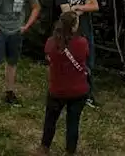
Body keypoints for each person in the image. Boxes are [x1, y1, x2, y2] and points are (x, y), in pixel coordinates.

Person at [34, 12, 89, 156]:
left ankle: (44, 147)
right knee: (73, 122)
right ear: (73, 27)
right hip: (78, 91)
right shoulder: (82, 43)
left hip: (57, 89)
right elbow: (85, 58)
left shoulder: (51, 43)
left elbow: (49, 59)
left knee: (50, 120)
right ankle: (70, 151)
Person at [54, 0, 99, 109]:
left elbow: (95, 6)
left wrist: (78, 8)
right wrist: (83, 6)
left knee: (89, 63)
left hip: (86, 30)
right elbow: (67, 15)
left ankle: (88, 94)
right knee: (72, 63)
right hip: (72, 34)